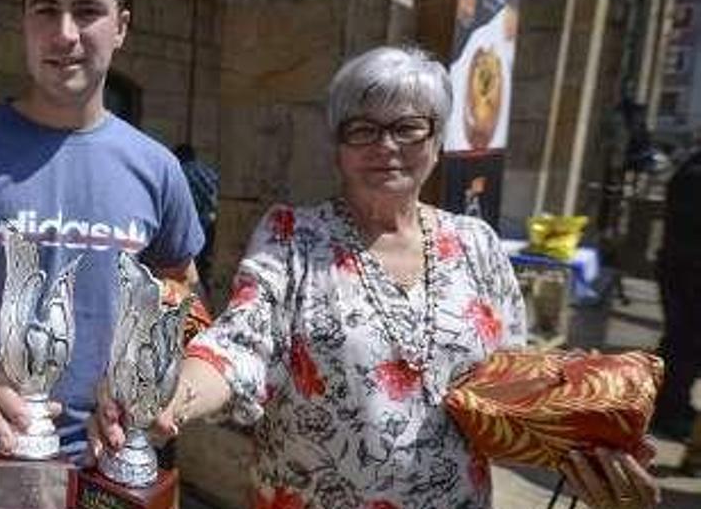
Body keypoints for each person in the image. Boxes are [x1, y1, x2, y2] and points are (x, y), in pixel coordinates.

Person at [91, 46, 660, 509]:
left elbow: (512, 392)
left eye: (408, 127)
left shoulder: (476, 244)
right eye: (362, 129)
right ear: (338, 147)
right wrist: (169, 396)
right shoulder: (294, 236)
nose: (386, 146)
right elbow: (238, 346)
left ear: (436, 141)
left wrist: (587, 448)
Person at [0, 0, 204, 476]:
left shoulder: (159, 168)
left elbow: (183, 293)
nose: (65, 34)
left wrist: (153, 382)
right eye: (46, 10)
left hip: (111, 462)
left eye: (87, 11)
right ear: (24, 20)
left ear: (121, 26)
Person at [654, 146, 701, 440]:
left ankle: (671, 406)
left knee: (682, 344)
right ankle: (668, 411)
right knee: (685, 345)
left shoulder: (691, 168)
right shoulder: (694, 175)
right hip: (688, 272)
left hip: (682, 268)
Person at [174, 144, 220, 289]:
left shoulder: (179, 172)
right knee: (206, 266)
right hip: (213, 224)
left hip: (194, 228)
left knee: (192, 268)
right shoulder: (208, 171)